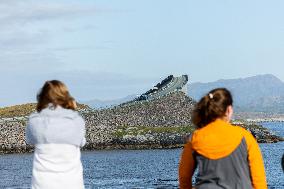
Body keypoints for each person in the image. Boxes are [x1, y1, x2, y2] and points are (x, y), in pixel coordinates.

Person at [179, 88, 267, 189]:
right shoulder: (245, 137)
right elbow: (259, 181)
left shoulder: (195, 138)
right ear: (229, 110)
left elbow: (184, 178)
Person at [26, 80, 86, 189]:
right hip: (72, 184)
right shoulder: (77, 120)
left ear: (42, 97)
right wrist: (72, 108)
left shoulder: (34, 120)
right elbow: (82, 142)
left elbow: (29, 140)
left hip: (43, 185)